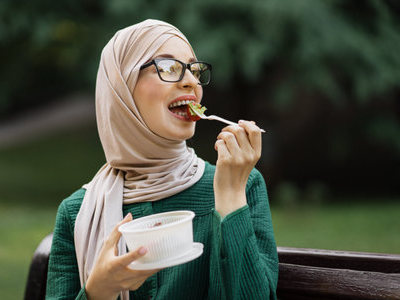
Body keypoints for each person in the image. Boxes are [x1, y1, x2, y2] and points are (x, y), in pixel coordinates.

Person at [46, 19, 278, 300]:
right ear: (123, 88)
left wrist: (229, 195)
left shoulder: (244, 185)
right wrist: (98, 291)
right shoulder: (76, 213)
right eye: (168, 67)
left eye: (194, 69)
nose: (191, 80)